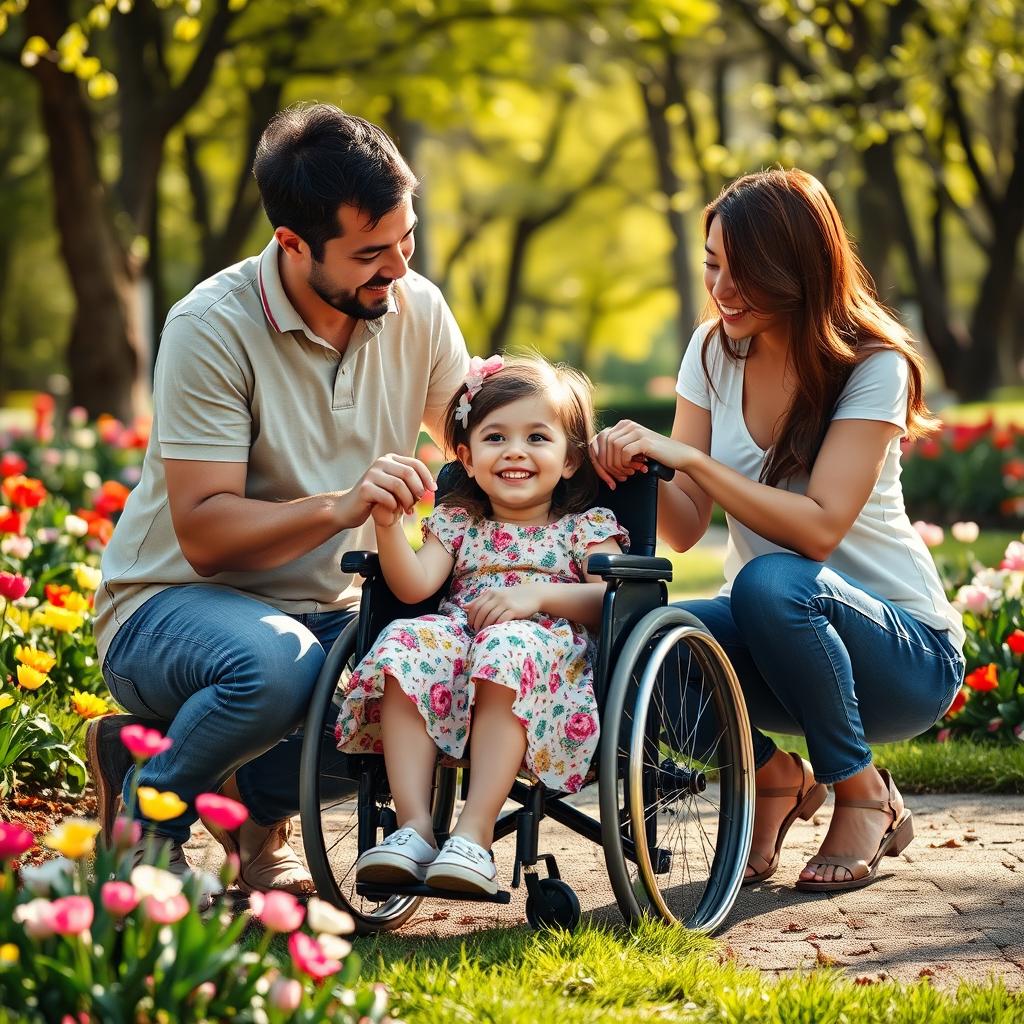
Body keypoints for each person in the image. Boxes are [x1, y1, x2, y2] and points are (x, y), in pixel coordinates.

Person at [87, 103, 469, 896]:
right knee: (275, 668)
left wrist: (561, 434)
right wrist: (340, 507)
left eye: (405, 239)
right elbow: (204, 532)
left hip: (323, 616)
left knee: (433, 682)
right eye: (371, 253)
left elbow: (473, 434)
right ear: (293, 244)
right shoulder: (211, 326)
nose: (397, 268)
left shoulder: (415, 307)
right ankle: (145, 828)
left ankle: (229, 795)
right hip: (172, 604)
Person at [590, 168, 965, 893]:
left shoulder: (872, 364)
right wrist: (634, 469)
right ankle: (773, 779)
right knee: (632, 640)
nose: (722, 289)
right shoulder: (710, 351)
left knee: (771, 582)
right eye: (712, 265)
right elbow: (688, 524)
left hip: (903, 656)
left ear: (797, 270)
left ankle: (863, 796)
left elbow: (820, 530)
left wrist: (689, 458)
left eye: (744, 271)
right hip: (776, 643)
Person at [336, 354, 627, 895]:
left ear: (569, 460)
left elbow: (611, 600)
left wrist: (538, 594)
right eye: (496, 438)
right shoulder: (459, 521)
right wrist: (387, 526)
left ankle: (474, 834)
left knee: (508, 647)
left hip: (546, 664)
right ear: (467, 459)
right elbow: (415, 587)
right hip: (460, 651)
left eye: (538, 437)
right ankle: (414, 827)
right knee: (404, 642)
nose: (515, 451)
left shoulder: (584, 528)